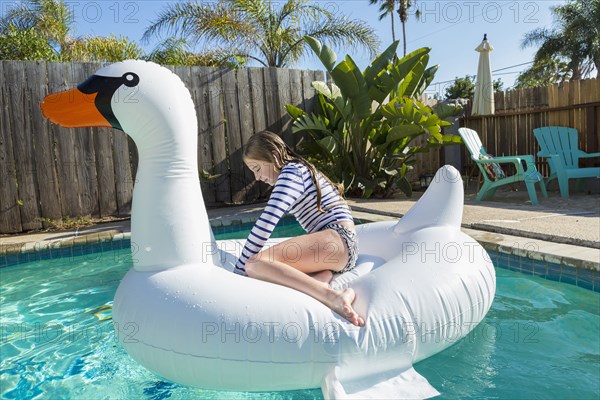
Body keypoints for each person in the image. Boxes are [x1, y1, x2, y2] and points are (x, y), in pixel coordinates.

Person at [234, 131, 364, 327]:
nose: (257, 177)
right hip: (340, 250)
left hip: (338, 240)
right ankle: (324, 284)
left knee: (255, 264)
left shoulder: (292, 172)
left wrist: (237, 273)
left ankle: (333, 297)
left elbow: (266, 223)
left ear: (274, 155)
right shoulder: (298, 171)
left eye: (258, 168)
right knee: (276, 272)